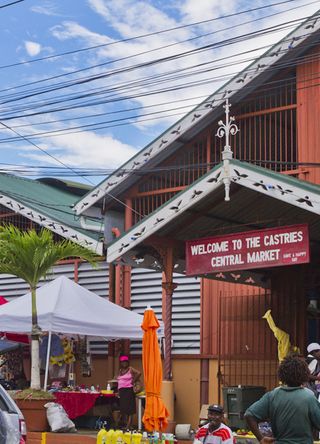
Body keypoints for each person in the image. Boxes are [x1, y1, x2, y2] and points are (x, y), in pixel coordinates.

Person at [245, 355, 320, 443]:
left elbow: (249, 415)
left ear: (281, 374)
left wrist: (261, 438)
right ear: (305, 374)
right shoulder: (309, 397)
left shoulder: (272, 395)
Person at [116, 354, 141, 429]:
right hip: (122, 391)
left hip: (129, 390)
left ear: (128, 362)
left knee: (130, 409)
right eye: (122, 362)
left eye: (125, 362)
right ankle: (128, 425)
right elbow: (119, 381)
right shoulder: (120, 371)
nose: (124, 363)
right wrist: (118, 391)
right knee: (124, 409)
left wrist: (133, 380)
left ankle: (128, 426)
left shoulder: (130, 369)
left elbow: (139, 373)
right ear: (121, 363)